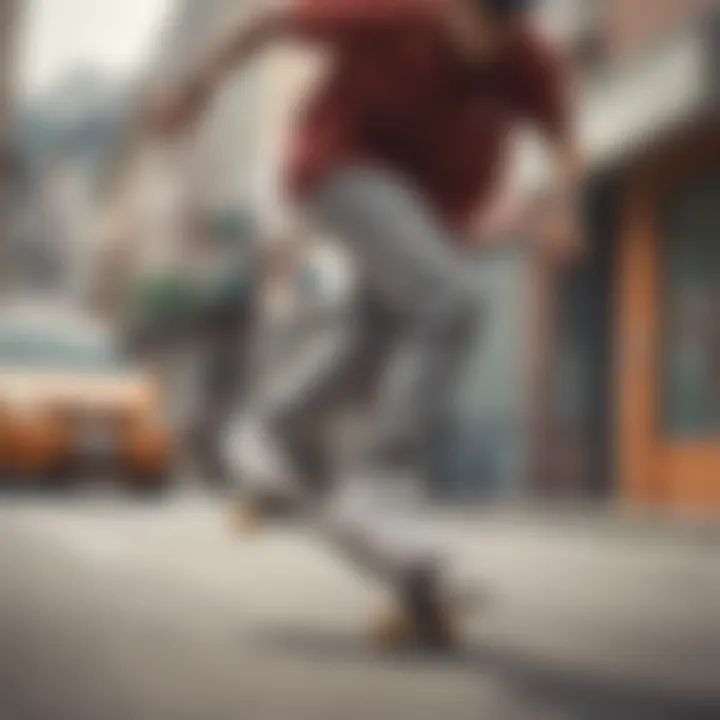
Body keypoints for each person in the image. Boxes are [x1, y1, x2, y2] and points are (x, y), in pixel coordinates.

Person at [150, 0, 582, 648]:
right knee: (452, 302)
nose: (484, 46)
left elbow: (565, 138)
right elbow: (265, 24)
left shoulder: (527, 59)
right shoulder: (394, 12)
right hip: (341, 168)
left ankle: (272, 424)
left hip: (436, 214)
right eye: (475, 25)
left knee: (372, 345)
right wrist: (197, 87)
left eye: (501, 32)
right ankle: (382, 482)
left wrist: (557, 204)